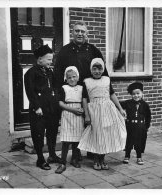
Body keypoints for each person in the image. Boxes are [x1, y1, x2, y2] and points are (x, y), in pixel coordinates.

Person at [54, 21, 109, 159]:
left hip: (91, 92)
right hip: (73, 93)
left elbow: (103, 72)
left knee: (93, 121)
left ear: (86, 33)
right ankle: (76, 153)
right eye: (77, 31)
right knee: (76, 123)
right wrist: (61, 92)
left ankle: (92, 150)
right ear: (72, 32)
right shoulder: (64, 51)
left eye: (82, 31)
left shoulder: (93, 50)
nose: (80, 34)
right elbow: (58, 73)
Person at [78, 58, 127, 170]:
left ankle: (103, 159)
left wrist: (120, 109)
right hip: (94, 110)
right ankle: (96, 159)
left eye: (99, 69)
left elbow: (112, 95)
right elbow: (84, 99)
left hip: (107, 109)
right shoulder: (87, 81)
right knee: (97, 134)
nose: (97, 71)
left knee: (106, 134)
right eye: (94, 69)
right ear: (91, 70)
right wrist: (86, 114)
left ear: (103, 69)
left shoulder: (106, 80)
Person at [24, 45, 61, 170]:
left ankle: (52, 155)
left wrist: (56, 102)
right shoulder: (31, 73)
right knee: (38, 133)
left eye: (51, 59)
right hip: (39, 109)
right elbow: (30, 92)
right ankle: (40, 159)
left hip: (51, 108)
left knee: (52, 132)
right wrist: (36, 107)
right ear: (40, 59)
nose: (51, 62)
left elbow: (55, 87)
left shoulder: (50, 71)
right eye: (49, 59)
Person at [55, 66, 85, 174]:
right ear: (66, 79)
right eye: (69, 78)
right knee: (66, 140)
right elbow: (60, 103)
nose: (72, 79)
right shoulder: (64, 88)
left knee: (77, 139)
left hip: (78, 115)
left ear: (77, 77)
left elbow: (84, 101)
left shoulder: (82, 88)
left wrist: (82, 110)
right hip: (68, 113)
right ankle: (62, 162)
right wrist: (72, 109)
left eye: (74, 77)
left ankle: (74, 159)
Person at [121, 82, 151, 165]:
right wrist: (121, 110)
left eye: (138, 93)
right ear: (131, 94)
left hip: (141, 127)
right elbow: (118, 105)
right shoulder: (127, 103)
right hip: (130, 126)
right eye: (133, 94)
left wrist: (146, 127)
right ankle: (127, 156)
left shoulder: (145, 105)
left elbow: (148, 116)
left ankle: (139, 157)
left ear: (142, 93)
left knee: (139, 142)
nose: (136, 95)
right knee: (129, 142)